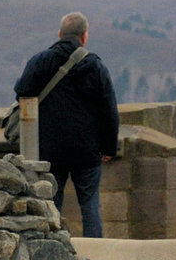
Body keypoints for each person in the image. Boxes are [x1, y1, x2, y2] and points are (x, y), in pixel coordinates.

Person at [12, 12, 117, 238]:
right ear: (85, 36)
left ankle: (55, 249)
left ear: (59, 34)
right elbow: (109, 110)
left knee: (52, 204)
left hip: (50, 148)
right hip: (87, 149)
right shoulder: (96, 66)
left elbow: (22, 92)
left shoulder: (41, 61)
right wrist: (109, 148)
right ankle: (96, 253)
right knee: (90, 205)